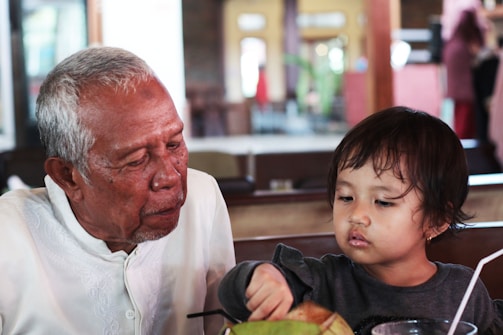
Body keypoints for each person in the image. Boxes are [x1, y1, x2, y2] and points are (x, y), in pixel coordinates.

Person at [0, 46, 236, 335]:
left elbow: (223, 326)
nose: (169, 177)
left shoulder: (202, 197)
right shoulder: (8, 237)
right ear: (68, 176)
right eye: (136, 160)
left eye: (174, 144)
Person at [218, 106, 503, 335]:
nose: (356, 215)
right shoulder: (319, 282)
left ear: (437, 220)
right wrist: (260, 279)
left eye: (382, 202)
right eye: (345, 197)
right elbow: (232, 296)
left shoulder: (463, 291)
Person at [442, 1, 486, 139]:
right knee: (465, 109)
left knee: (461, 106)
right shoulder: (467, 5)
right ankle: (463, 146)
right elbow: (465, 20)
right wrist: (477, 39)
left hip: (454, 50)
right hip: (461, 54)